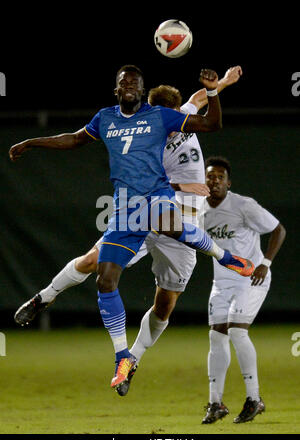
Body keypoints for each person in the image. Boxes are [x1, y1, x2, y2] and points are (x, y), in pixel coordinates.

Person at [10, 65, 253, 394]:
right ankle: (45, 298)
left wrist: (220, 84)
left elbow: (201, 104)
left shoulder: (169, 118)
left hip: (180, 223)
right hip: (147, 207)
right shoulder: (137, 129)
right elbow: (127, 164)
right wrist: (183, 182)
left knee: (165, 304)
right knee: (95, 263)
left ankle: (132, 359)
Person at [200, 156, 286, 424]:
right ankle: (216, 403)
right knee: (216, 338)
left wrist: (265, 263)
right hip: (221, 283)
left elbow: (278, 230)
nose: (214, 181)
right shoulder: (199, 209)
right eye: (210, 176)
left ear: (228, 183)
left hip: (251, 278)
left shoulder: (243, 205)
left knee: (237, 331)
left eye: (219, 177)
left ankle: (254, 398)